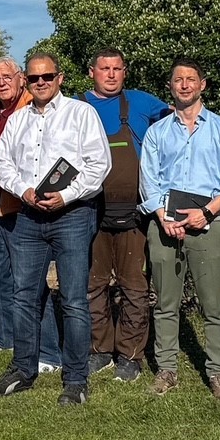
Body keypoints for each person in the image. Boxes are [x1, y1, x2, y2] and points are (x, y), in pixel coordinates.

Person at [0, 53, 111, 406]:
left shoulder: (81, 113)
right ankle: (23, 370)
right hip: (28, 216)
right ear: (26, 80)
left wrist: (66, 195)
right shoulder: (18, 120)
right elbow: (4, 163)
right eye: (35, 78)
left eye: (48, 76)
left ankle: (75, 379)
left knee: (73, 300)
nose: (41, 83)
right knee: (24, 296)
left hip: (71, 215)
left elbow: (98, 165)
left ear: (61, 78)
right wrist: (22, 189)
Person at [139, 58, 220, 400]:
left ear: (202, 85)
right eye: (178, 80)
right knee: (165, 302)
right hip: (164, 224)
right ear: (170, 86)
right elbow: (149, 181)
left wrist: (206, 213)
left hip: (209, 225)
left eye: (191, 79)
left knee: (213, 305)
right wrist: (161, 216)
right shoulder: (157, 132)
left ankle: (218, 373)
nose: (184, 85)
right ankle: (167, 369)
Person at [0, 57, 63, 372]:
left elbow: (32, 158)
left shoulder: (32, 109)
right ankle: (5, 336)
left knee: (30, 282)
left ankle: (48, 352)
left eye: (7, 76)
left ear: (21, 78)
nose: (2, 83)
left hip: (22, 206)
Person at [81, 48, 170, 382]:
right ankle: (99, 350)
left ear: (125, 72)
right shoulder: (78, 108)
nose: (111, 74)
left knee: (134, 286)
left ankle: (130, 355)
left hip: (135, 213)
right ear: (92, 72)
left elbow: (180, 122)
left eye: (117, 69)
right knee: (94, 285)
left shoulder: (142, 102)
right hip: (90, 212)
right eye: (105, 68)